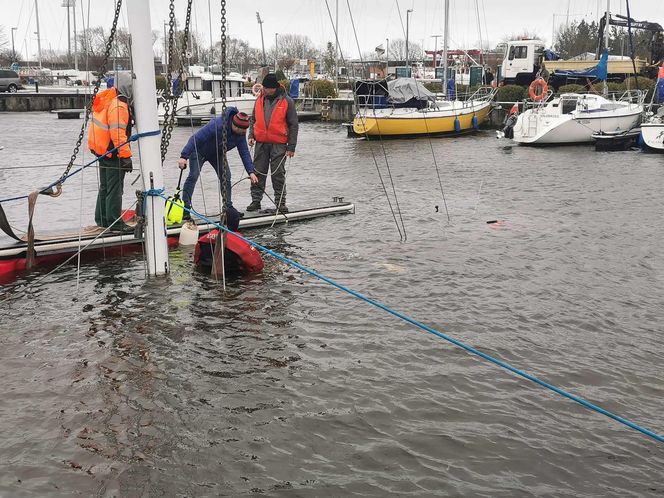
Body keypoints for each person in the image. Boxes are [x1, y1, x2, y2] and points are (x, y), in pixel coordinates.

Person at [178, 107, 258, 217]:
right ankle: (185, 209)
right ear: (234, 125)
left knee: (226, 177)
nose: (243, 133)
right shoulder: (217, 125)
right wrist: (184, 156)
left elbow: (244, 153)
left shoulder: (240, 134)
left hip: (217, 153)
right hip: (198, 151)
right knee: (193, 176)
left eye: (244, 131)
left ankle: (228, 208)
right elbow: (195, 139)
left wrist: (251, 172)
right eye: (241, 130)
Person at [88, 72, 134, 232]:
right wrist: (126, 156)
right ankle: (114, 222)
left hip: (102, 151)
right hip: (113, 152)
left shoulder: (108, 100)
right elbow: (118, 134)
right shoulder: (119, 106)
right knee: (115, 188)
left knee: (105, 187)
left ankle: (102, 219)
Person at [247, 73, 299, 213]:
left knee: (278, 175)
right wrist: (251, 135)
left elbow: (294, 124)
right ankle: (255, 201)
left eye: (270, 88)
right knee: (257, 173)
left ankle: (280, 203)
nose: (267, 90)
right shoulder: (259, 100)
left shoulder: (287, 101)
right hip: (261, 143)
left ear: (276, 87)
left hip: (279, 144)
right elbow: (253, 120)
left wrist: (291, 146)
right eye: (265, 88)